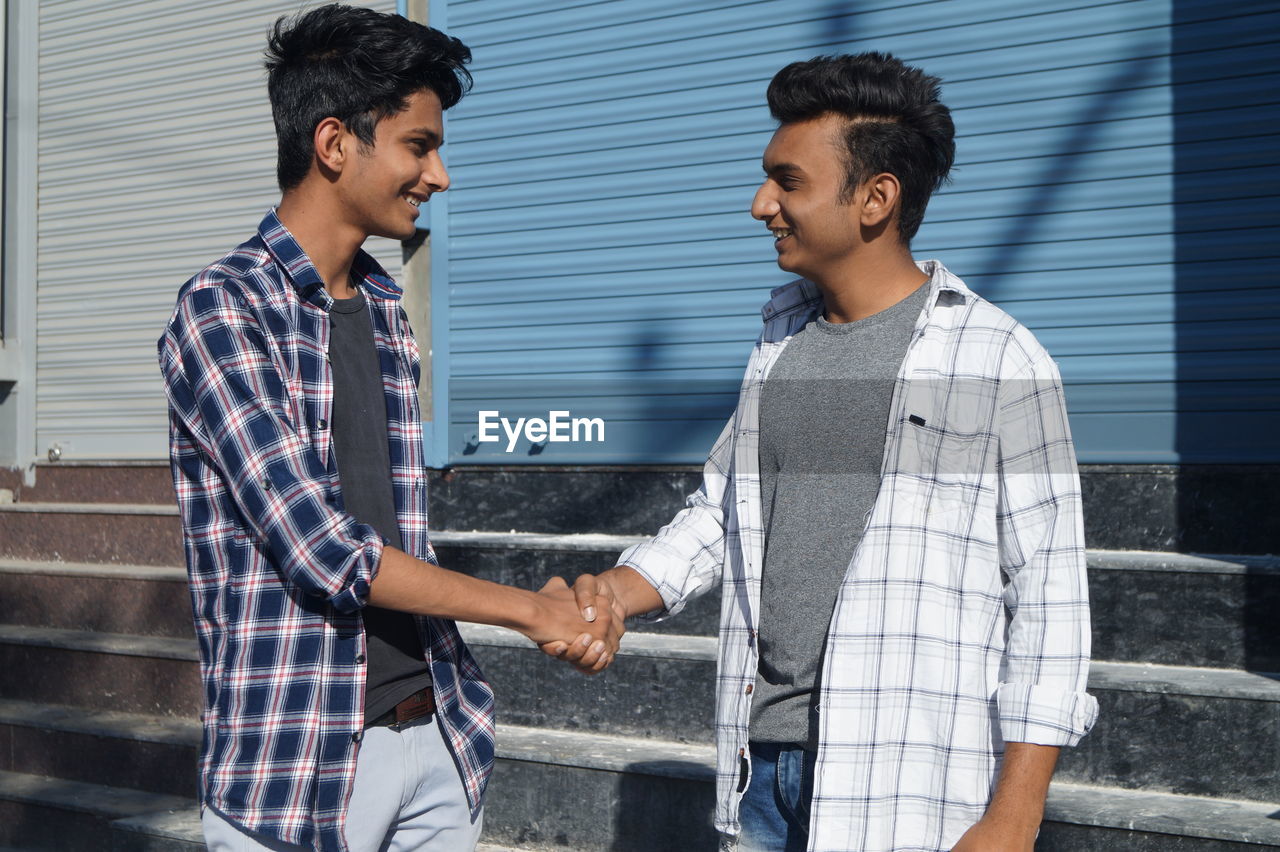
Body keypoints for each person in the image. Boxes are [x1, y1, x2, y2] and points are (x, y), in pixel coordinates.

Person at [562, 53, 1097, 852]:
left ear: (876, 198)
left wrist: (1013, 817)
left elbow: (1051, 603)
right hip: (760, 773)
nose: (760, 205)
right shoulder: (782, 344)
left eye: (789, 182)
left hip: (905, 786)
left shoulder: (998, 358)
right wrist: (611, 593)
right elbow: (721, 515)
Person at [157, 6, 618, 851]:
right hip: (297, 773)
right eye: (418, 145)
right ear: (335, 144)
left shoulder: (382, 306)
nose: (438, 175)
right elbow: (324, 548)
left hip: (434, 741)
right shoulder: (222, 309)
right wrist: (530, 611)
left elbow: (399, 528)